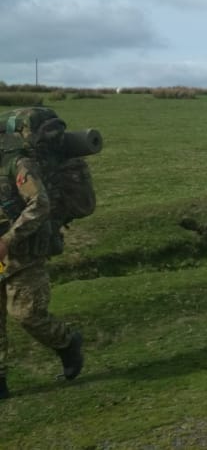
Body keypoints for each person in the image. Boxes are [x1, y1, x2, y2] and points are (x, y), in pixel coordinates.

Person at [0, 113, 84, 399]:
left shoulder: (18, 164)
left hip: (25, 252)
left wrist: (9, 238)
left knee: (27, 314)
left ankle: (67, 343)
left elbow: (40, 203)